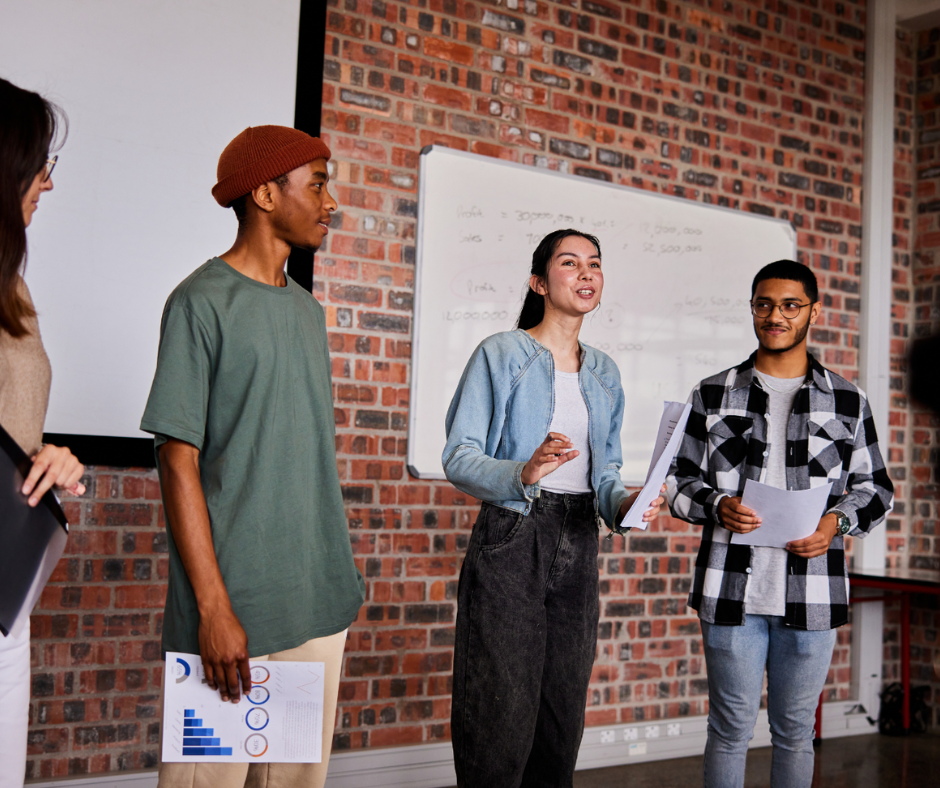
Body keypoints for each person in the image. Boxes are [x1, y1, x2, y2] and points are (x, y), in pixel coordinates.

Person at [140, 126, 365, 788]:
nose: (330, 202)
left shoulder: (308, 314)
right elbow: (177, 461)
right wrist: (213, 609)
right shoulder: (199, 302)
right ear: (266, 194)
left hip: (315, 604)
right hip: (232, 610)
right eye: (318, 186)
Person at [443, 229, 664, 788]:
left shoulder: (606, 372)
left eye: (595, 263)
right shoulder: (501, 353)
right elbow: (459, 456)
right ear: (539, 283)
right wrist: (523, 471)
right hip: (514, 534)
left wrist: (627, 502)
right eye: (570, 263)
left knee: (561, 714)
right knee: (499, 710)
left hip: (580, 535)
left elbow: (605, 472)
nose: (586, 273)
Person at [667, 260, 894, 788]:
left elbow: (876, 488)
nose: (776, 316)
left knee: (795, 734)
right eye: (764, 304)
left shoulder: (848, 400)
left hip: (812, 593)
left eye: (791, 305)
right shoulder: (712, 393)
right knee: (729, 731)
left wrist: (835, 523)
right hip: (730, 592)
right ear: (752, 309)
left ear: (814, 311)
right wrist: (715, 505)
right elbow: (676, 480)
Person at [0, 78, 85, 788]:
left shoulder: (13, 288)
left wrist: (47, 456)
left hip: (8, 587)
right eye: (39, 165)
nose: (47, 183)